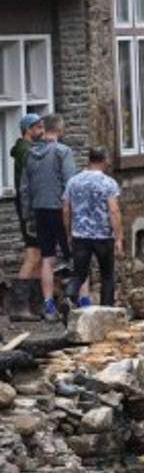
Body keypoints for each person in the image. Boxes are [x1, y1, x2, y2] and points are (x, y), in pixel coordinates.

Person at [20, 113, 75, 321]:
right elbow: (70, 185)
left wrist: (27, 215)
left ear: (44, 129)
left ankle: (49, 305)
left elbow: (25, 188)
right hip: (61, 210)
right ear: (59, 130)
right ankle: (80, 302)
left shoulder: (30, 154)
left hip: (40, 210)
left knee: (47, 258)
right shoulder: (63, 152)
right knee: (74, 256)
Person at [62, 146, 123, 308]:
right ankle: (107, 310)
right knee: (107, 276)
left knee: (79, 274)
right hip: (103, 236)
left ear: (89, 159)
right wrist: (118, 237)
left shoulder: (73, 181)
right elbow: (114, 211)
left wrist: (68, 233)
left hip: (80, 235)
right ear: (104, 160)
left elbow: (66, 209)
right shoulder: (108, 183)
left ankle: (68, 297)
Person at [8, 113, 44, 319]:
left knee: (39, 256)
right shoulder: (26, 151)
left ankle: (35, 304)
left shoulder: (29, 149)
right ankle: (19, 306)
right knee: (33, 255)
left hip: (32, 208)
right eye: (38, 127)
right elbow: (28, 184)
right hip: (28, 210)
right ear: (28, 129)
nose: (42, 131)